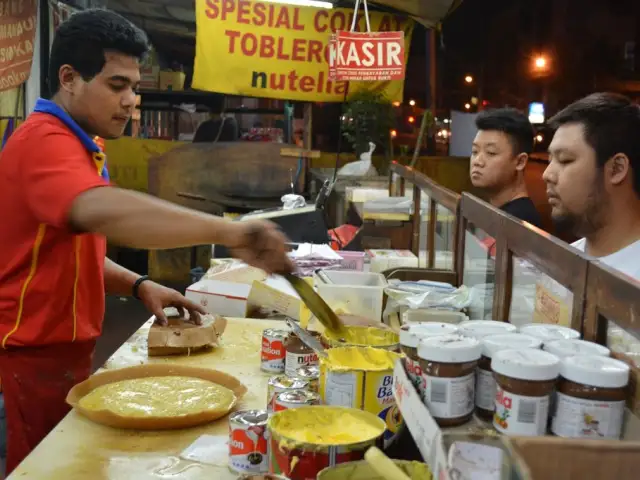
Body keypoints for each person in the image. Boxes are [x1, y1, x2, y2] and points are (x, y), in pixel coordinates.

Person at [0, 9, 293, 474]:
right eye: (117, 86)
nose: (131, 101)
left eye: (134, 88)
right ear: (70, 78)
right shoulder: (44, 143)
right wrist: (229, 232)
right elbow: (102, 211)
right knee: (45, 468)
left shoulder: (83, 146)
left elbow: (70, 252)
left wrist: (139, 285)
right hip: (27, 359)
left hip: (64, 353)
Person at [544, 92, 640, 280]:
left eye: (565, 160)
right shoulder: (564, 262)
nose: (546, 174)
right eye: (549, 160)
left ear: (617, 168)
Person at [470, 108, 543, 228]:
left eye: (491, 152)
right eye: (475, 151)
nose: (477, 161)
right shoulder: (498, 213)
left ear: (520, 161)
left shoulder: (521, 223)